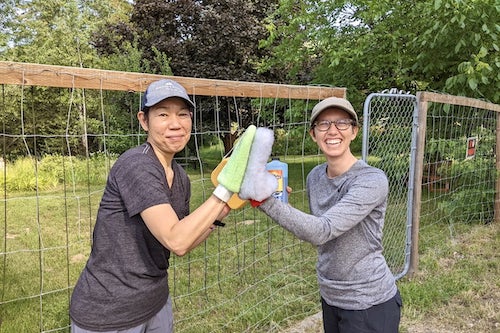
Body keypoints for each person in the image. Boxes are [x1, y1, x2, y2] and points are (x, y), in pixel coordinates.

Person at [69, 79, 235, 332]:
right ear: (144, 120)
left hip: (155, 302)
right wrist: (226, 189)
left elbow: (184, 243)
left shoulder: (180, 177)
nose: (175, 124)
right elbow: (175, 239)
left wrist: (227, 206)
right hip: (110, 312)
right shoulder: (137, 164)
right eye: (162, 114)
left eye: (182, 114)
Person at [248, 97, 402, 332]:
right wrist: (277, 196)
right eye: (323, 124)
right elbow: (318, 227)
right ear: (313, 134)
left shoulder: (372, 180)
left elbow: (323, 231)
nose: (332, 131)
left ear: (354, 131)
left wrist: (262, 199)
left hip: (368, 301)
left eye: (341, 123)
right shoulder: (315, 177)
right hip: (331, 295)